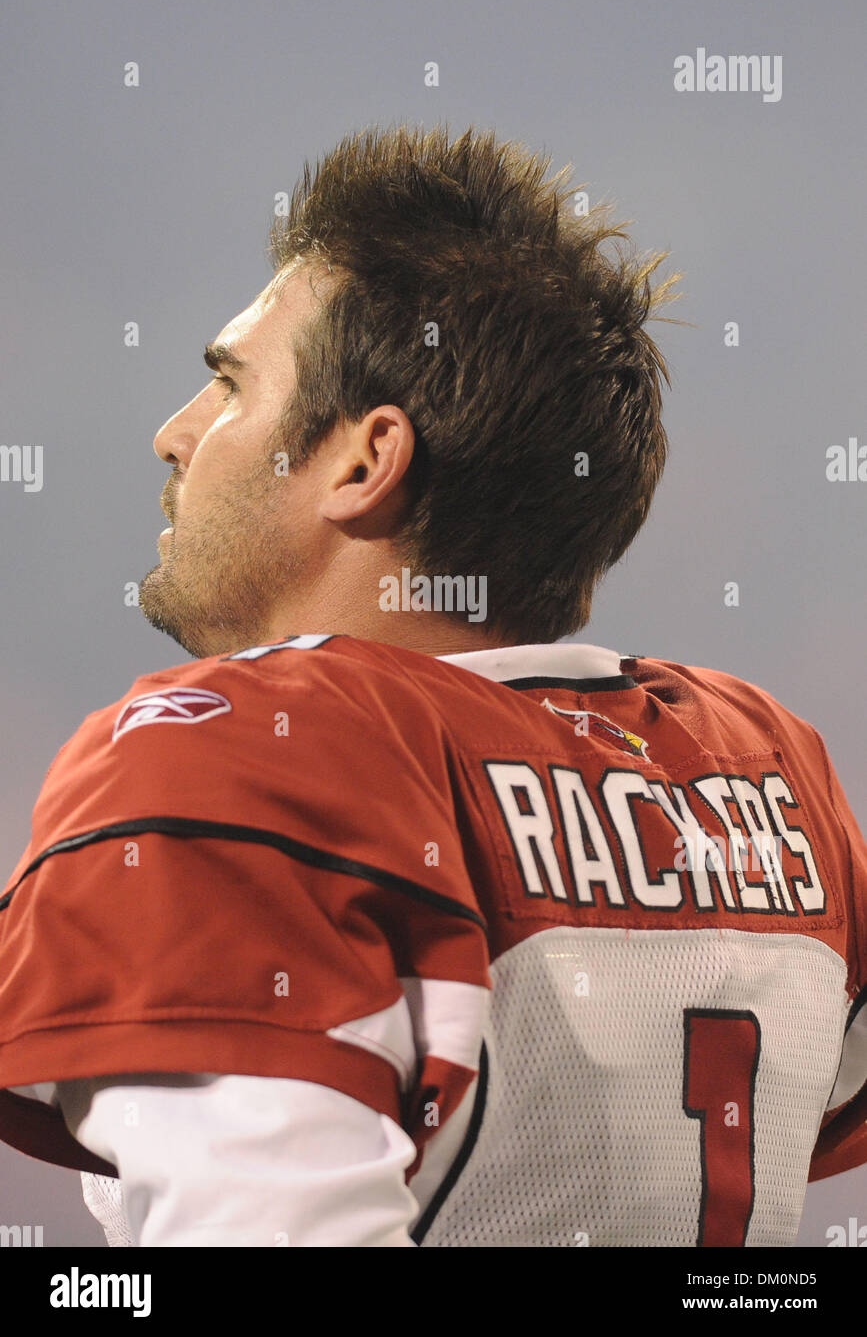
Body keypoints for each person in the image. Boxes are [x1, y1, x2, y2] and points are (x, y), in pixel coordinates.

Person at [0, 123, 864, 1247]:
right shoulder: (765, 763)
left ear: (365, 460)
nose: (175, 434)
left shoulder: (234, 755)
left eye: (228, 385)